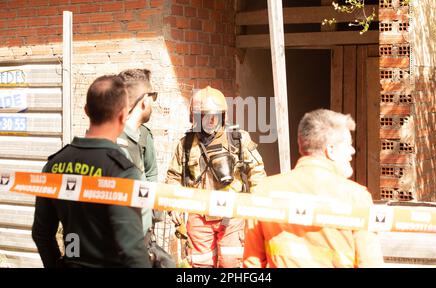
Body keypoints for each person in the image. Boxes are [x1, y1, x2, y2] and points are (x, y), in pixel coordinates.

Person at [31, 75, 151, 268]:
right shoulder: (122, 171)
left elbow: (41, 234)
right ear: (122, 115)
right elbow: (132, 250)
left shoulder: (54, 165)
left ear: (86, 111)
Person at [243, 109, 384, 268]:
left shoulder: (265, 191)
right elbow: (370, 263)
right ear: (330, 150)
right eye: (348, 145)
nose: (352, 152)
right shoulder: (356, 197)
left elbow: (252, 265)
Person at [166, 86, 266, 268]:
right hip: (199, 216)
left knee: (231, 263)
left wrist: (256, 207)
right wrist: (174, 206)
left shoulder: (237, 139)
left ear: (223, 116)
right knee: (200, 264)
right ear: (194, 117)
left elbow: (256, 171)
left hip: (232, 215)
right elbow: (174, 176)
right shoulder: (186, 144)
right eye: (203, 115)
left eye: (214, 115)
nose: (210, 120)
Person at [116, 69, 174, 267]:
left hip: (143, 241)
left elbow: (150, 173)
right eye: (153, 97)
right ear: (144, 101)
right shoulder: (114, 143)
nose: (153, 103)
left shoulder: (143, 136)